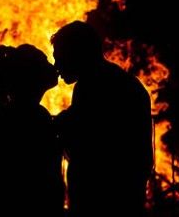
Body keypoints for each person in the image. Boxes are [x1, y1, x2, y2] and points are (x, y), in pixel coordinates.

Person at [51, 20, 153, 216]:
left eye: (60, 57)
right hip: (126, 195)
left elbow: (85, 140)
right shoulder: (121, 82)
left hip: (102, 199)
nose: (57, 66)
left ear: (76, 52)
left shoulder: (92, 86)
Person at [0, 44, 64, 217]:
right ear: (31, 75)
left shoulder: (11, 112)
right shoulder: (30, 115)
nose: (54, 67)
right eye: (45, 63)